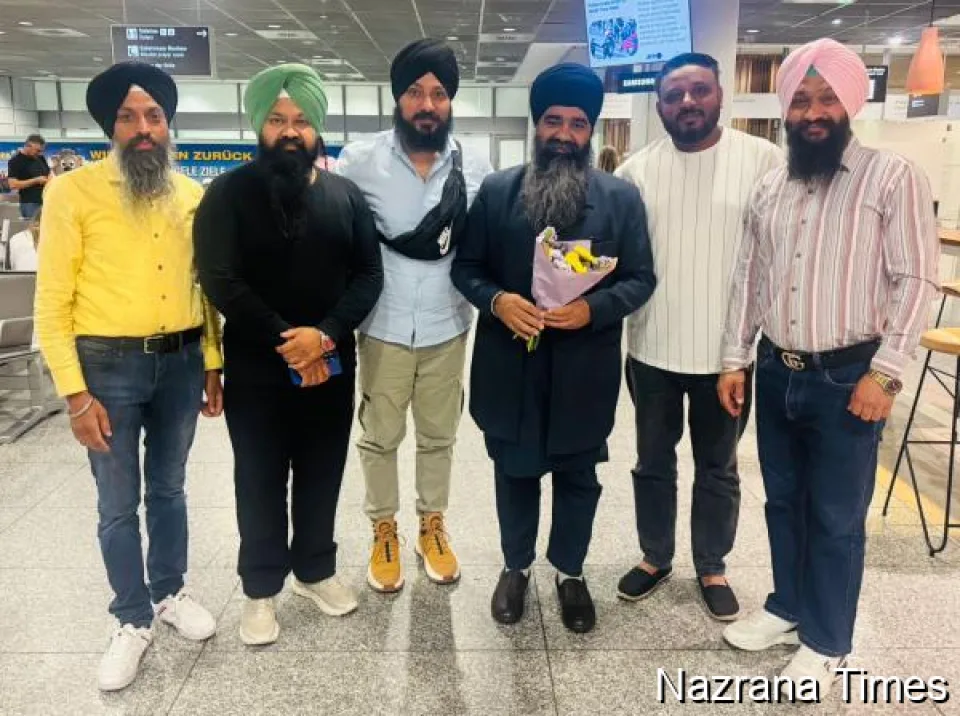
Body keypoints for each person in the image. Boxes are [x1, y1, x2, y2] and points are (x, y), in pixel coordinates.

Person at [717, 39, 938, 695]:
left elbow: (917, 279)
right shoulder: (770, 186)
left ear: (850, 104)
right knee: (783, 502)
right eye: (801, 100)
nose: (813, 112)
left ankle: (827, 639)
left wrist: (887, 372)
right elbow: (749, 279)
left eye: (827, 99)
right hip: (776, 370)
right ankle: (788, 606)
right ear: (786, 109)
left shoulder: (891, 178)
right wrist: (734, 359)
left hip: (850, 378)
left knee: (837, 518)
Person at [35, 62, 224, 692]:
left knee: (169, 488)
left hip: (181, 363)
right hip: (107, 367)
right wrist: (74, 394)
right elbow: (52, 302)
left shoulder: (191, 195)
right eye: (128, 116)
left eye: (154, 116)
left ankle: (168, 591)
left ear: (168, 125)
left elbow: (205, 291)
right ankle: (131, 617)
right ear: (109, 127)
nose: (143, 128)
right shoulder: (72, 193)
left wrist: (212, 363)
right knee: (117, 501)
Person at [451, 63, 656, 634]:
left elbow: (640, 278)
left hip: (583, 368)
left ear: (591, 132)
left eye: (577, 123)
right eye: (553, 121)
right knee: (515, 475)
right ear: (536, 126)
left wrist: (594, 308)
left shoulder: (620, 199)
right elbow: (467, 268)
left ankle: (570, 572)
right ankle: (515, 567)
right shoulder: (497, 193)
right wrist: (497, 302)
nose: (564, 134)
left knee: (578, 479)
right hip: (510, 366)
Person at [194, 64, 383, 646]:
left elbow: (368, 275)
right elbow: (220, 279)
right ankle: (259, 589)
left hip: (330, 365)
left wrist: (323, 336)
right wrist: (287, 338)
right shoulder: (226, 195)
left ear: (317, 127)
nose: (290, 131)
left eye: (301, 120)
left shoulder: (345, 196)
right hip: (256, 367)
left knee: (323, 472)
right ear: (259, 126)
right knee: (259, 478)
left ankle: (315, 571)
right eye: (277, 120)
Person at [613, 53, 782, 620]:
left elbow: (777, 253)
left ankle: (712, 564)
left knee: (719, 467)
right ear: (659, 105)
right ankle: (655, 557)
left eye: (699, 90)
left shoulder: (763, 161)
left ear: (720, 95)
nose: (687, 102)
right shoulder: (635, 173)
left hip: (728, 356)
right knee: (652, 463)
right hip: (651, 349)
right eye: (674, 94)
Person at [336, 39, 492, 594]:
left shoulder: (474, 166)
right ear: (397, 98)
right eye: (415, 92)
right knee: (379, 437)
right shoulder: (359, 162)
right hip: (382, 326)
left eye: (439, 93)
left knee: (438, 436)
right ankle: (383, 529)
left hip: (448, 326)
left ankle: (432, 525)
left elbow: (487, 245)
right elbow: (333, 238)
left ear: (450, 101)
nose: (427, 104)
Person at [7, 134, 50, 218]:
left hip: (46, 200)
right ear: (28, 146)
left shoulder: (40, 158)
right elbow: (13, 184)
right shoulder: (15, 161)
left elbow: (48, 173)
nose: (39, 153)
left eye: (41, 151)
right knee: (33, 226)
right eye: (37, 150)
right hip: (30, 204)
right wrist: (36, 180)